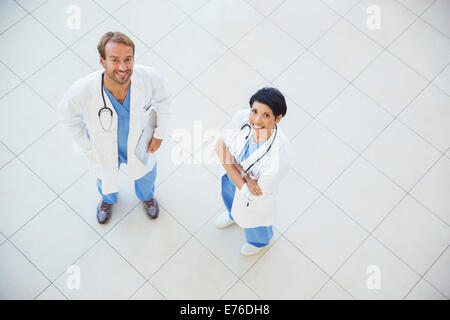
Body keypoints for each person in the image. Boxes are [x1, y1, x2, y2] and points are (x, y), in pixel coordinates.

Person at [57, 32, 171, 224]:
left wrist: (159, 135)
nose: (122, 67)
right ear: (102, 61)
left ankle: (147, 197)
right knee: (105, 177)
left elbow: (165, 101)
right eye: (115, 60)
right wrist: (88, 147)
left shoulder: (149, 78)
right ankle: (107, 201)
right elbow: (67, 117)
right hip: (104, 146)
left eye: (128, 59)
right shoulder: (83, 90)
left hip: (140, 141)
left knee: (146, 175)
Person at [215, 87, 290, 256]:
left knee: (256, 223)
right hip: (231, 181)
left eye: (266, 115)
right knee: (230, 199)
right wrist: (245, 176)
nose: (256, 120)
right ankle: (233, 214)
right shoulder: (242, 118)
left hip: (254, 200)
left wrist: (227, 161)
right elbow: (221, 143)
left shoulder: (281, 156)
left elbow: (252, 194)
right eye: (254, 111)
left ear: (278, 118)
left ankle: (258, 243)